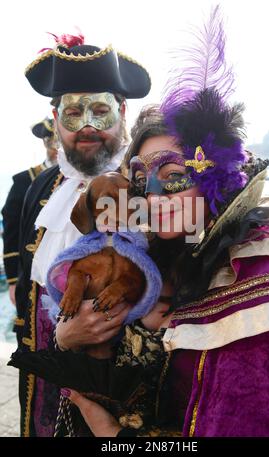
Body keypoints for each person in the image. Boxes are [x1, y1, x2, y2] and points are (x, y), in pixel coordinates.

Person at [59, 9, 269, 437]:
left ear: (214, 178)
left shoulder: (258, 284)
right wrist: (69, 338)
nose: (151, 197)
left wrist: (118, 440)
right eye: (140, 181)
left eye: (173, 177)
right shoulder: (156, 255)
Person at [15, 31, 151, 437]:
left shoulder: (149, 186)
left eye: (99, 110)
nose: (87, 126)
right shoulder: (42, 190)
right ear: (56, 119)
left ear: (123, 112)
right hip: (43, 386)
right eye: (73, 113)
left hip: (122, 399)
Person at [1, 117, 57, 308]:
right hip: (31, 275)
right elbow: (10, 232)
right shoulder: (25, 180)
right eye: (52, 143)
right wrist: (12, 281)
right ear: (45, 143)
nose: (57, 149)